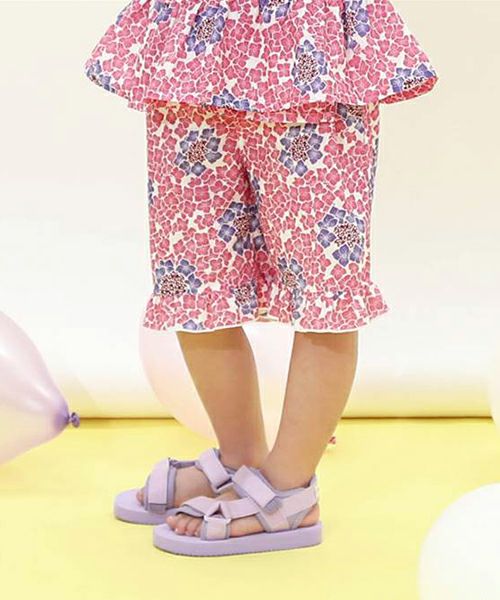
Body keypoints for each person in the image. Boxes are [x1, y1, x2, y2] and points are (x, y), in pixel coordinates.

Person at [84, 0, 438, 556]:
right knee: (191, 277)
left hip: (311, 49)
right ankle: (239, 460)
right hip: (194, 49)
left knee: (325, 284)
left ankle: (290, 491)